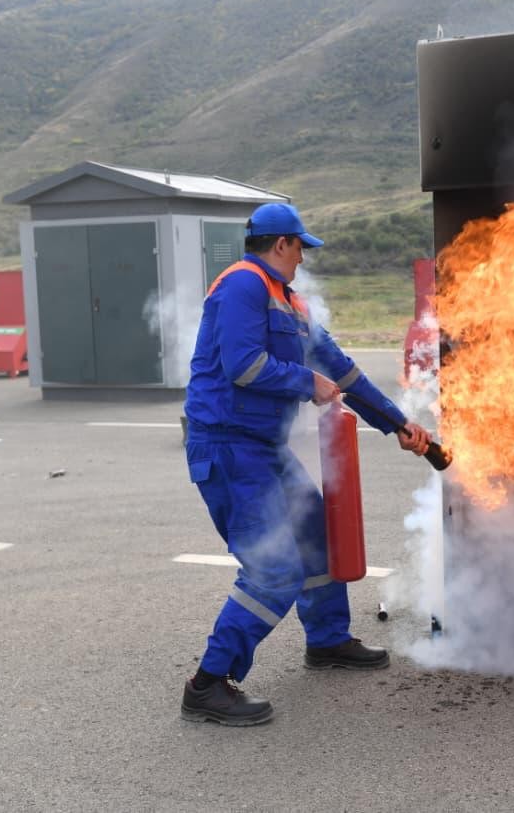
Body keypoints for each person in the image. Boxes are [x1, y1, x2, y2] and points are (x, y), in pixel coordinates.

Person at [181, 202, 431, 726]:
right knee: (274, 570)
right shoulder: (243, 285)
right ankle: (208, 684)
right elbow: (243, 365)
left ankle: (327, 640)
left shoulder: (289, 302)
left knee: (317, 537)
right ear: (281, 244)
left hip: (264, 449)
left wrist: (398, 424)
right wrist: (305, 383)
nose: (303, 259)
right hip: (228, 448)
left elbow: (342, 371)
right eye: (301, 248)